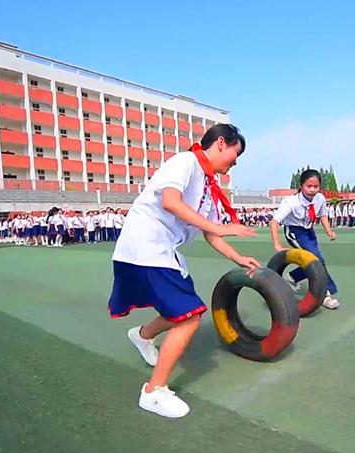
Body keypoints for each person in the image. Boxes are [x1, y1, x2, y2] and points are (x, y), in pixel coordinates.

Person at [110, 123, 257, 419]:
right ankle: (154, 392)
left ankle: (142, 336)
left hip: (164, 252)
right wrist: (218, 226)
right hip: (146, 246)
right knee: (190, 316)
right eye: (235, 153)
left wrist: (237, 257)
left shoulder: (207, 186)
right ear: (219, 144)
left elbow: (211, 234)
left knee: (178, 309)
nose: (235, 161)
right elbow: (170, 201)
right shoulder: (185, 162)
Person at [271, 169, 340, 309]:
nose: (313, 190)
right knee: (316, 259)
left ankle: (293, 278)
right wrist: (277, 244)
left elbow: (322, 215)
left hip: (309, 231)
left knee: (317, 260)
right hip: (295, 231)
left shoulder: (320, 198)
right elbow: (275, 221)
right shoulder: (291, 202)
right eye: (309, 186)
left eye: (316, 186)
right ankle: (325, 294)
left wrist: (329, 230)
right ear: (301, 185)